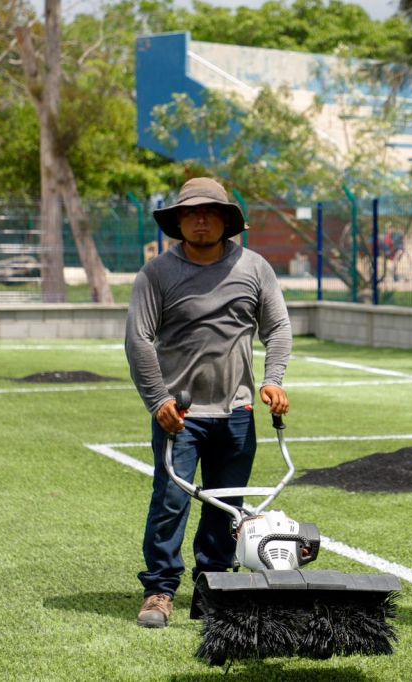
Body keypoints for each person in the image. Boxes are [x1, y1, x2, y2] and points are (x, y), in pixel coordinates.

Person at [125, 177, 292, 628]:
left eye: (210, 212)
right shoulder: (157, 274)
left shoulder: (255, 268)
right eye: (192, 212)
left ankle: (213, 587)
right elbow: (138, 339)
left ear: (226, 220)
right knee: (170, 502)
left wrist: (273, 380)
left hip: (237, 412)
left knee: (228, 505)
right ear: (179, 221)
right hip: (179, 416)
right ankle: (160, 589)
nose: (201, 219)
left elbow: (277, 328)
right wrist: (157, 399)